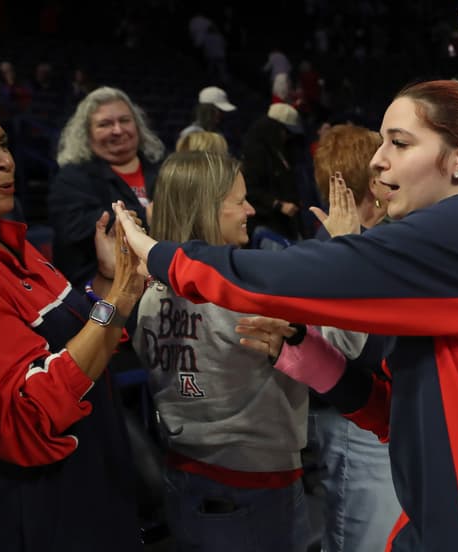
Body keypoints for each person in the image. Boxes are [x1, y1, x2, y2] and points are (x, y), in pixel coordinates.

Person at [116, 78, 458, 551]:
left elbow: (298, 275)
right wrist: (312, 359)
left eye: (398, 142)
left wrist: (163, 256)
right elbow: (407, 413)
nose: (377, 159)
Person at [0, 99, 146, 550]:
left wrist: (107, 281)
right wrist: (120, 299)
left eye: (3, 145)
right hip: (44, 513)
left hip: (93, 486)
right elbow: (24, 417)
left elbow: (82, 331)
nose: (4, 160)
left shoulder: (15, 243)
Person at [132, 151, 311, 552]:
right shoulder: (244, 293)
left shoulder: (148, 295)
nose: (250, 209)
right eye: (239, 201)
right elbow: (343, 344)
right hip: (255, 485)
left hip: (183, 475)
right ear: (208, 209)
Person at [306, 123, 400, 552]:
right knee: (360, 541)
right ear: (371, 181)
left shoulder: (372, 241)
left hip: (376, 423)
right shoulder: (331, 249)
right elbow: (350, 351)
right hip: (354, 426)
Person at [49, 86, 165, 291]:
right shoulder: (71, 178)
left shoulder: (162, 170)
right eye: (105, 124)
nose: (118, 130)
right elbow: (76, 228)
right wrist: (146, 215)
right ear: (86, 133)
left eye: (125, 120)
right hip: (101, 291)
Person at [240, 102, 306, 244]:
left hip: (285, 224)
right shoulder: (255, 152)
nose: (287, 137)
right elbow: (251, 190)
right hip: (265, 224)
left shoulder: (281, 149)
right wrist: (278, 205)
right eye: (285, 132)